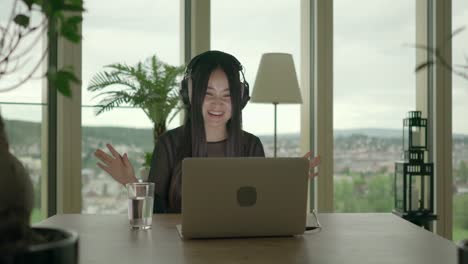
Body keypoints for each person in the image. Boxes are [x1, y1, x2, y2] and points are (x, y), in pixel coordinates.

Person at [94, 50, 320, 213]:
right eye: (208, 93)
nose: (217, 104)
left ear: (240, 99)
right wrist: (130, 182)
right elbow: (157, 213)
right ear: (189, 95)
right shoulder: (169, 144)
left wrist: (287, 183)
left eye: (228, 94)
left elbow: (260, 208)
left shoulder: (251, 145)